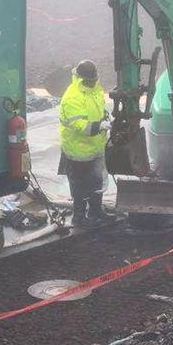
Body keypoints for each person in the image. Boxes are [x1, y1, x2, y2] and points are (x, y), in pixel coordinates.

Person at [58, 60, 114, 226]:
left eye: (94, 80)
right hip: (78, 151)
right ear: (81, 79)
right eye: (89, 80)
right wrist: (100, 126)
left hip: (96, 148)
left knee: (97, 181)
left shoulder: (95, 89)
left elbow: (100, 107)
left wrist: (105, 115)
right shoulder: (72, 97)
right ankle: (79, 216)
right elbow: (81, 126)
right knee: (79, 186)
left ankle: (95, 211)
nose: (92, 82)